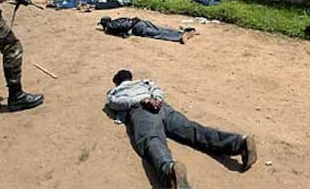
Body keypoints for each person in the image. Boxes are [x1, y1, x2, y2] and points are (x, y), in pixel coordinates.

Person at [106, 69, 258, 189]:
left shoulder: (115, 91)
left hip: (141, 110)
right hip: (161, 106)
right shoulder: (144, 82)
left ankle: (169, 170)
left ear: (117, 82)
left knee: (152, 139)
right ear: (131, 77)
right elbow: (158, 89)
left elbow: (115, 103)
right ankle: (239, 143)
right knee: (192, 129)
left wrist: (142, 101)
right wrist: (156, 99)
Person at [98, 16, 196, 44]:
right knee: (160, 28)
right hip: (140, 21)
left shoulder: (109, 27)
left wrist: (125, 35)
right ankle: (184, 32)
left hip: (137, 28)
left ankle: (180, 37)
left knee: (157, 34)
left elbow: (122, 31)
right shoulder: (117, 19)